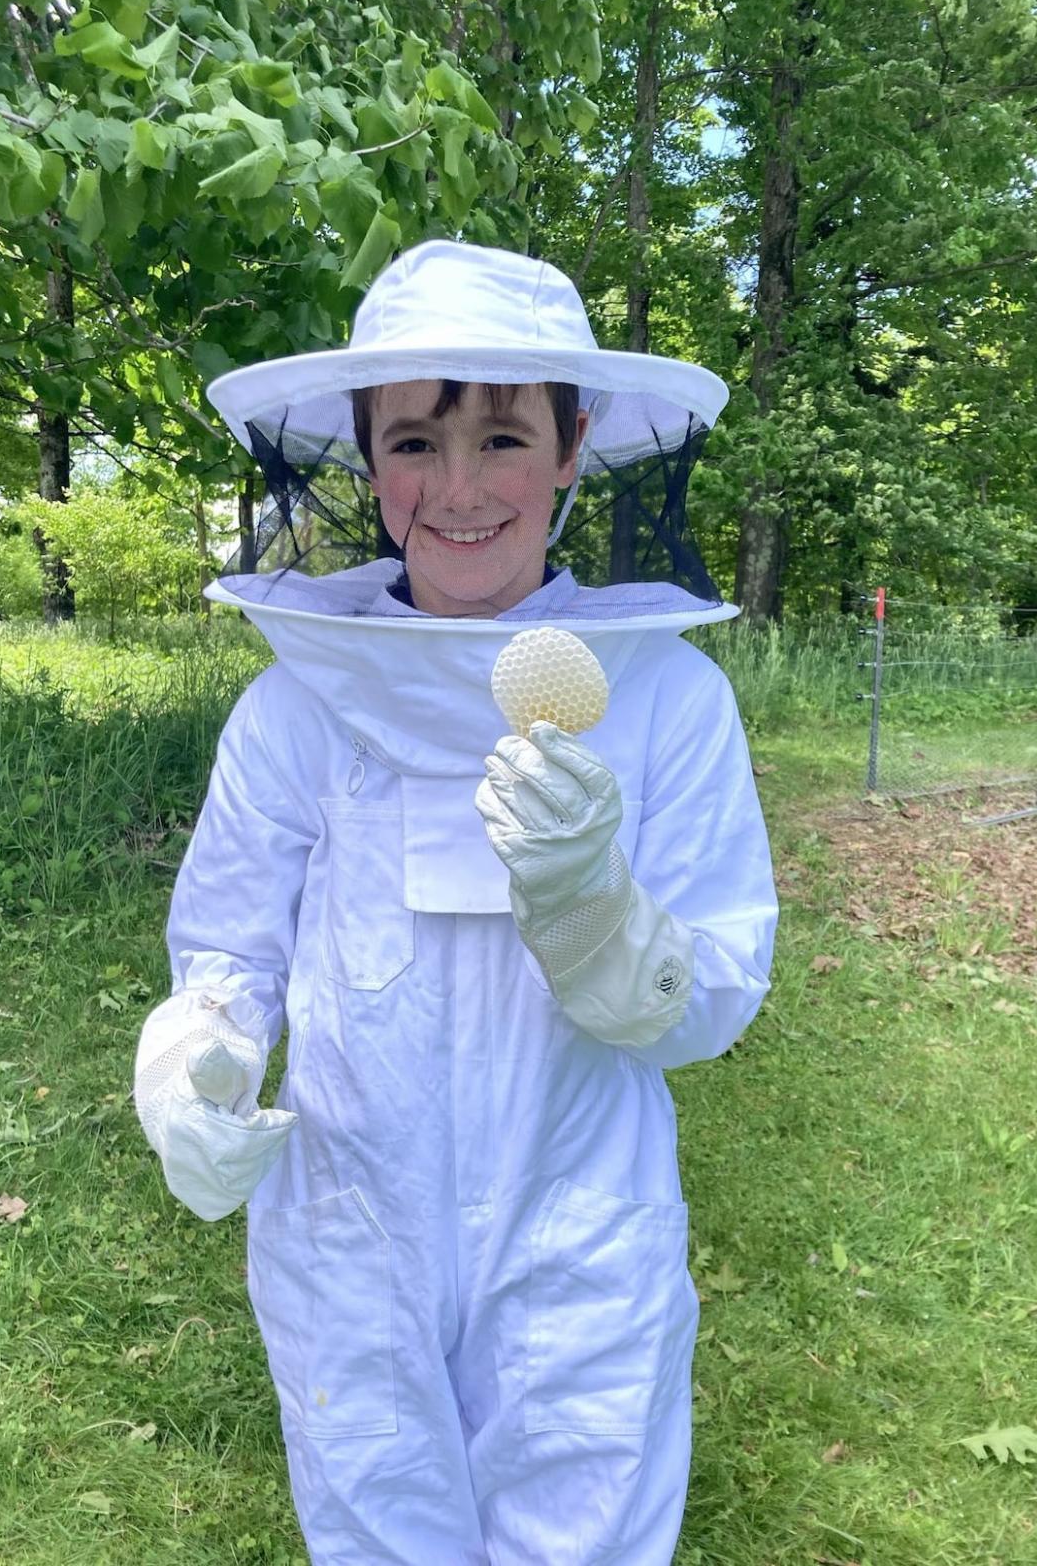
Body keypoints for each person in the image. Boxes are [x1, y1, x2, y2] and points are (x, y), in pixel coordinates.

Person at [134, 241, 777, 1565]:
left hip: (581, 1229)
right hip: (344, 1230)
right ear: (370, 465)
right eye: (417, 440)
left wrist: (597, 914)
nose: (461, 485)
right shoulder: (294, 705)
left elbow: (709, 993)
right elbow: (229, 951)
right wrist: (191, 1063)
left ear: (569, 450)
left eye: (501, 434)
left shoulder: (664, 700)